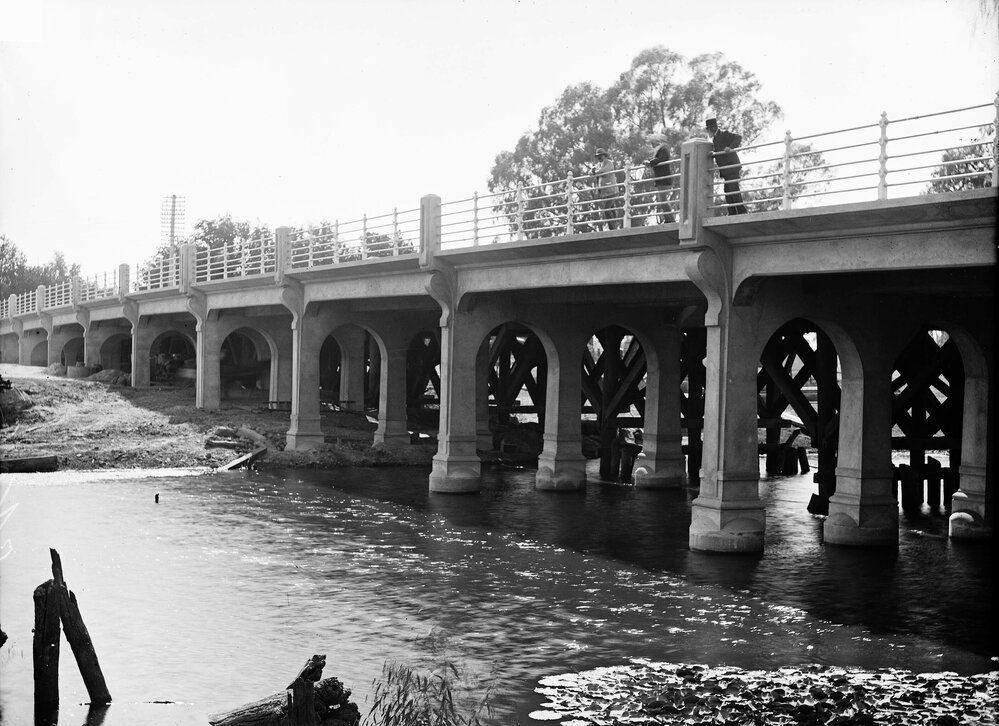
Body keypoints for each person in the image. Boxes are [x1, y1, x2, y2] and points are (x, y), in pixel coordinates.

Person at [706, 118, 748, 214]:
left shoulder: (724, 134)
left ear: (712, 128)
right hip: (726, 170)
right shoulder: (715, 138)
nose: (708, 132)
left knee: (733, 189)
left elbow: (738, 137)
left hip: (731, 167)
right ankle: (732, 212)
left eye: (708, 130)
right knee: (728, 190)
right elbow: (719, 150)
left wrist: (730, 147)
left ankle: (741, 212)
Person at [644, 133, 674, 224]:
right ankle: (668, 218)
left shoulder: (663, 149)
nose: (652, 145)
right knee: (662, 200)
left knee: (663, 200)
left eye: (652, 143)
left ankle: (670, 219)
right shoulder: (659, 150)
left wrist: (650, 162)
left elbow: (661, 159)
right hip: (661, 179)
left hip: (664, 179)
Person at [589, 148, 621, 230]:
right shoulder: (598, 165)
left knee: (607, 209)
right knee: (611, 209)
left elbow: (604, 170)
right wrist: (592, 171)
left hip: (612, 191)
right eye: (598, 156)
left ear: (604, 155)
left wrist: (596, 172)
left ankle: (612, 227)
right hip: (605, 192)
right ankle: (615, 226)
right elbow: (590, 173)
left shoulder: (609, 163)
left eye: (600, 155)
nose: (599, 157)